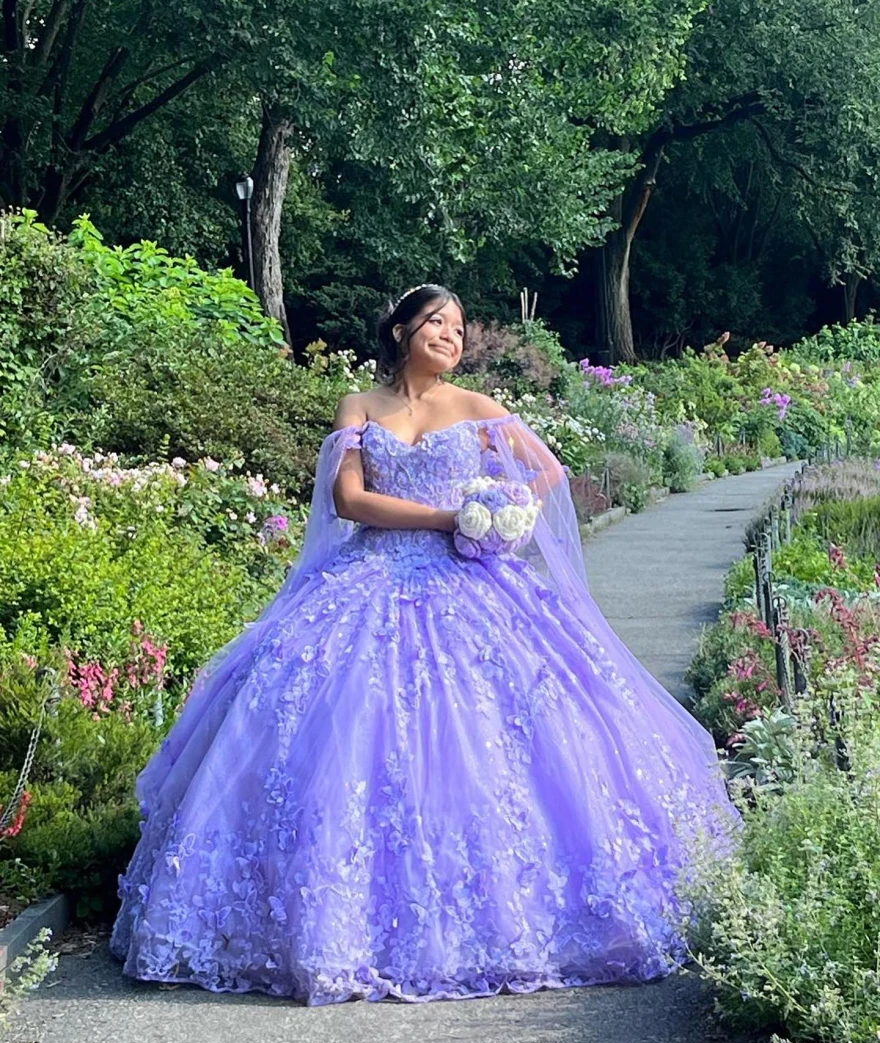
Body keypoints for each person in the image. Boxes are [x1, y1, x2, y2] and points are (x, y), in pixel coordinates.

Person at [110, 283, 738, 1006]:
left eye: (461, 328)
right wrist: (448, 516)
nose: (453, 335)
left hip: (467, 587)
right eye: (438, 323)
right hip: (369, 576)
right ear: (403, 330)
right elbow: (349, 500)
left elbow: (548, 472)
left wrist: (501, 509)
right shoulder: (360, 407)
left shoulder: (474, 407)